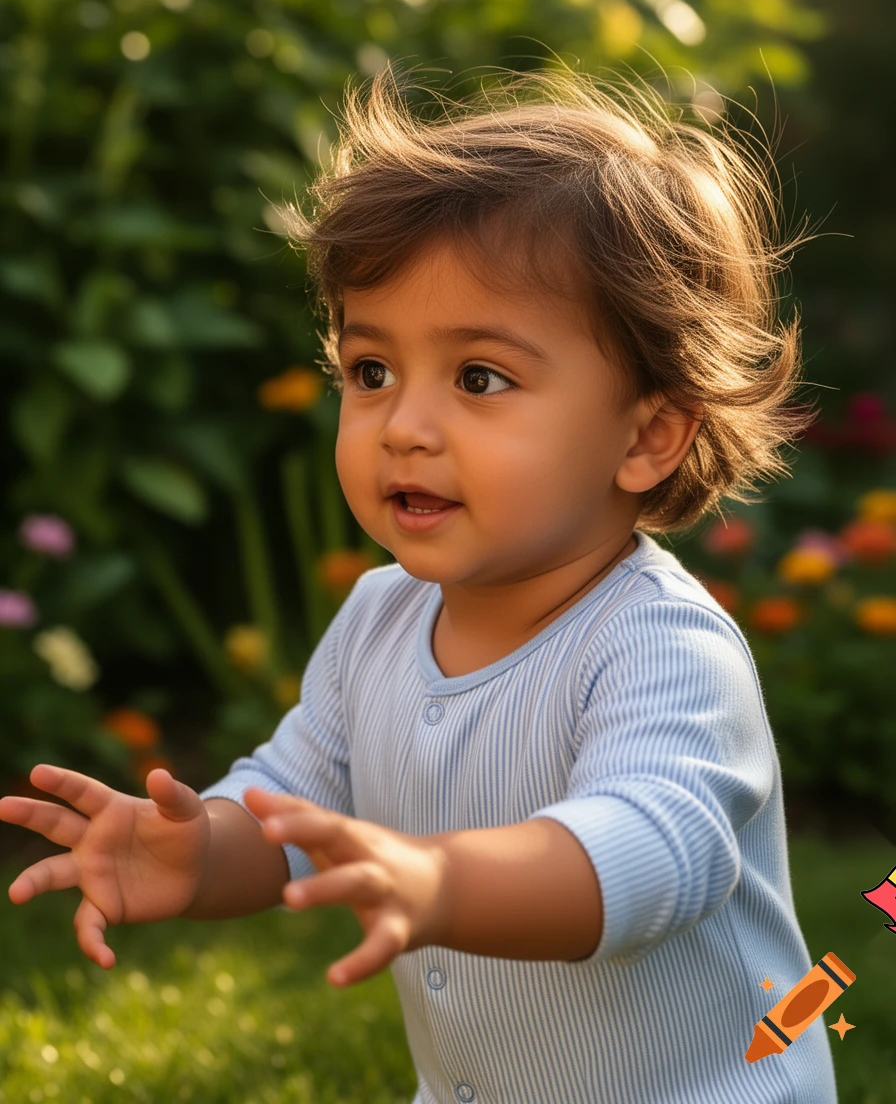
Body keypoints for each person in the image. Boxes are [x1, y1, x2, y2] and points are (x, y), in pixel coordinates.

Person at [0, 62, 837, 1103]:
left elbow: (649, 852)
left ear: (648, 435)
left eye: (479, 378)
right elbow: (294, 797)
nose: (402, 425)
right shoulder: (378, 617)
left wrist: (438, 882)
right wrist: (201, 854)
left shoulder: (662, 649)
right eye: (370, 371)